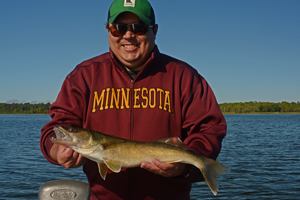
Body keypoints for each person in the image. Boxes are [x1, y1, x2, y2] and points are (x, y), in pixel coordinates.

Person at [40, 0, 227, 199]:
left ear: (154, 31)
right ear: (108, 30)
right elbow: (56, 127)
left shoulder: (184, 77)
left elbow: (208, 129)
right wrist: (57, 150)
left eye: (139, 28)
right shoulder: (84, 76)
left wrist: (184, 167)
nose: (128, 35)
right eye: (119, 28)